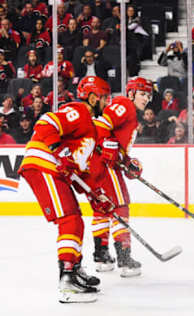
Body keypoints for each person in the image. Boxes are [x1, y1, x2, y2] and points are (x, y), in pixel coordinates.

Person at [18, 76, 112, 303]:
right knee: (69, 218)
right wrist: (58, 150)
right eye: (104, 98)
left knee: (75, 219)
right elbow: (46, 122)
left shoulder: (91, 132)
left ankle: (74, 270)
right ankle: (67, 277)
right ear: (91, 97)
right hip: (44, 165)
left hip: (55, 170)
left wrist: (95, 195)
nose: (107, 103)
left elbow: (79, 171)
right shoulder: (79, 111)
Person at [83, 77, 152, 277]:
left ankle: (101, 255)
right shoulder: (125, 104)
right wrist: (109, 147)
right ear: (131, 93)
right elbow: (100, 125)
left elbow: (112, 141)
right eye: (142, 93)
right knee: (120, 205)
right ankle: (124, 258)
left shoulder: (130, 111)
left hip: (95, 164)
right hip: (104, 165)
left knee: (102, 209)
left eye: (148, 95)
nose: (146, 98)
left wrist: (127, 161)